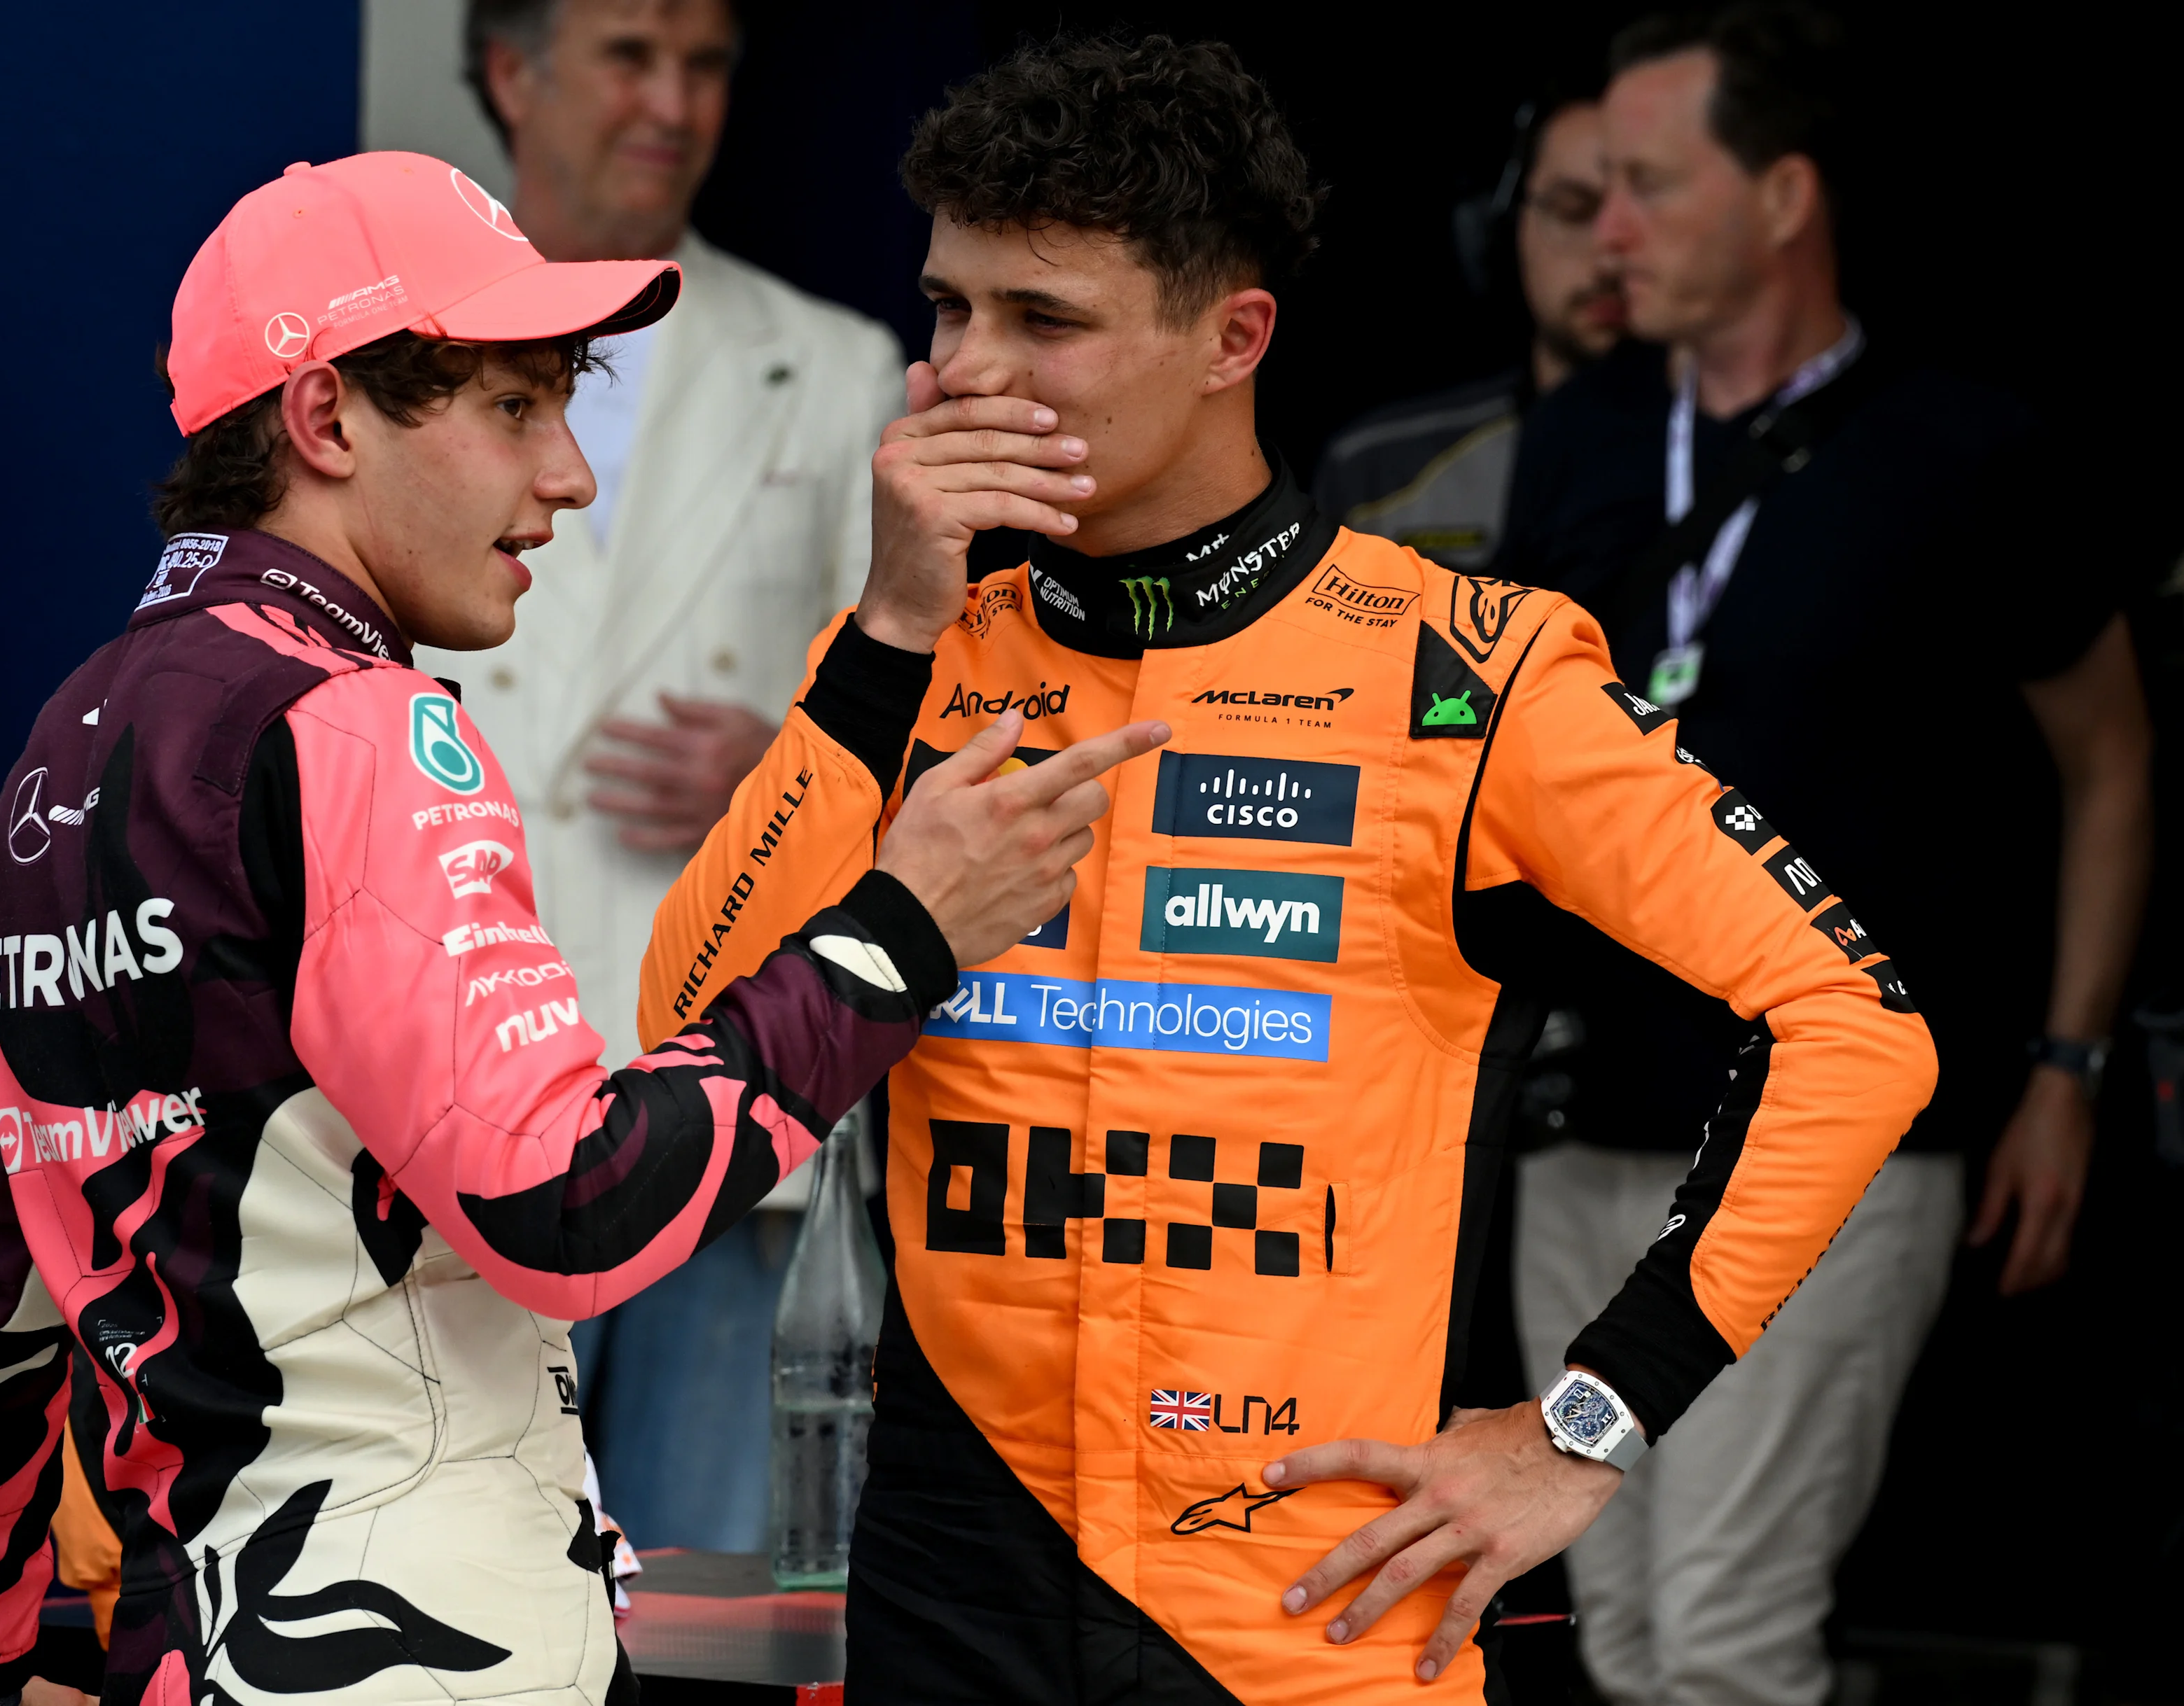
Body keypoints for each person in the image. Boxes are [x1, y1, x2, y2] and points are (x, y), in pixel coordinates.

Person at [639, 34, 1938, 1703]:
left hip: (1305, 1614)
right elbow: (684, 1041)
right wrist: (887, 630)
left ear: (1227, 340)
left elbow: (1854, 1028)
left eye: (1043, 319)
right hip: (948, 1584)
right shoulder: (904, 655)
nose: (961, 369)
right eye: (949, 307)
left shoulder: (1462, 671)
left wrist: (1584, 1421)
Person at [0, 150, 1157, 1705]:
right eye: (510, 410)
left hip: (189, 1652)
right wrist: (902, 934)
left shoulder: (68, 737)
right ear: (326, 416)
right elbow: (570, 1207)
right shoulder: (356, 728)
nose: (570, 473)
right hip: (420, 1647)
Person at [1496, 8, 2155, 1705]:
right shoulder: (1574, 438)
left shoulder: (1961, 450)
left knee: (1718, 1638)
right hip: (1579, 1136)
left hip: (1830, 1138)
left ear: (1781, 195)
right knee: (1622, 1631)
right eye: (1591, 194)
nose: (1606, 230)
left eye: (1645, 186)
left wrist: (2066, 1068)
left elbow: (2107, 755)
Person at [425, 0, 910, 1550]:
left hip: (717, 1091)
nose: (672, 102)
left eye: (704, 64)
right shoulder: (395, 345)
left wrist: (782, 767)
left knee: (707, 1610)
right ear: (512, 71)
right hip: (451, 1099)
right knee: (464, 1597)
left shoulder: (834, 367)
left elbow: (935, 716)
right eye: (629, 56)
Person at [1311, 77, 1624, 568]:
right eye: (1573, 210)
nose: (1611, 255)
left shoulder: (1752, 457)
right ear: (1502, 227)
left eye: (1646, 207)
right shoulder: (1377, 473)